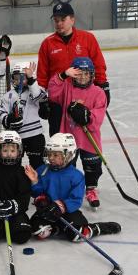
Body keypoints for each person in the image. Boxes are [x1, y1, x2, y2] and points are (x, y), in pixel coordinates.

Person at [25, 133, 121, 241]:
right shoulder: (42, 170)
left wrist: (60, 206)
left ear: (69, 154)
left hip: (68, 212)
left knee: (77, 235)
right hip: (48, 212)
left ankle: (97, 228)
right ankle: (58, 228)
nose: (51, 158)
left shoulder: (76, 176)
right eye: (50, 154)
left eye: (56, 155)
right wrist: (35, 183)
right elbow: (37, 193)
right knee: (36, 231)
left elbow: (76, 200)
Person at [36, 2, 110, 137]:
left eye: (63, 20)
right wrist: (42, 100)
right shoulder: (47, 44)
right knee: (58, 140)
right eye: (56, 20)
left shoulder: (87, 38)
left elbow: (98, 64)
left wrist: (103, 86)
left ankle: (88, 158)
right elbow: (42, 75)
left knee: (85, 135)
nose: (59, 23)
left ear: (72, 19)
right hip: (58, 100)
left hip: (84, 96)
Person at [48, 57, 106, 208]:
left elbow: (99, 115)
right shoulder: (66, 87)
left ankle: (91, 189)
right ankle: (69, 189)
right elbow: (52, 92)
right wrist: (63, 75)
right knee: (68, 166)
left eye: (86, 74)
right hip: (69, 137)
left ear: (92, 75)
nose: (83, 77)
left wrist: (88, 117)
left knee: (93, 166)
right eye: (79, 73)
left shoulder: (98, 93)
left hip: (89, 138)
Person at [0, 130, 32, 244]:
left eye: (13, 150)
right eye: (5, 150)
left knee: (22, 235)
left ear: (19, 151)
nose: (9, 153)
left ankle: (10, 227)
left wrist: (14, 206)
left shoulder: (21, 171)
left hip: (15, 211)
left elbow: (25, 195)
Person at [0, 61, 45, 169]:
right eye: (17, 78)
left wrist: (32, 80)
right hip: (16, 137)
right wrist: (9, 120)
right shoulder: (8, 96)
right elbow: (1, 113)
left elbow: (39, 97)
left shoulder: (35, 90)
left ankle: (38, 185)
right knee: (13, 165)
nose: (20, 81)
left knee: (38, 166)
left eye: (24, 77)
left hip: (35, 135)